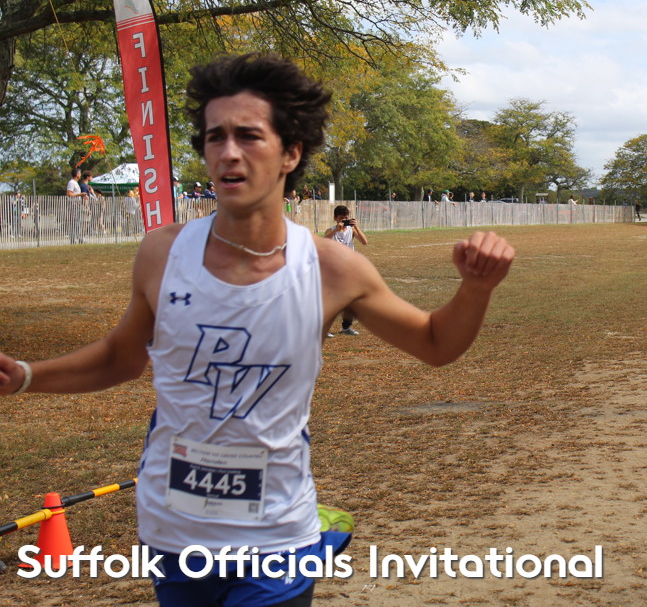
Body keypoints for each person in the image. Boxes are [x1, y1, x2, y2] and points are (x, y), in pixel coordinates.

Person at [0, 53, 514, 607]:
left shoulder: (331, 268)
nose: (228, 152)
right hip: (173, 530)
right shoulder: (163, 253)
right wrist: (24, 374)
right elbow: (120, 358)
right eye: (214, 137)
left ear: (291, 152)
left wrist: (476, 287)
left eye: (248, 136)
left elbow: (436, 344)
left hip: (276, 534)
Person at [323, 205, 369, 336]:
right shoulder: (331, 230)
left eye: (346, 218)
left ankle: (346, 327)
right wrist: (335, 230)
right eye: (341, 218)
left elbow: (364, 242)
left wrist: (356, 227)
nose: (344, 220)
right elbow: (324, 242)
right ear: (335, 218)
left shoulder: (351, 230)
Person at [65, 167, 86, 244]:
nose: (80, 175)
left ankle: (80, 238)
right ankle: (73, 239)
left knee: (78, 222)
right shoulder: (72, 182)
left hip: (77, 204)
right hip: (73, 204)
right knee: (74, 222)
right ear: (77, 174)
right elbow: (69, 193)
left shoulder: (76, 183)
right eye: (79, 173)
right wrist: (80, 194)